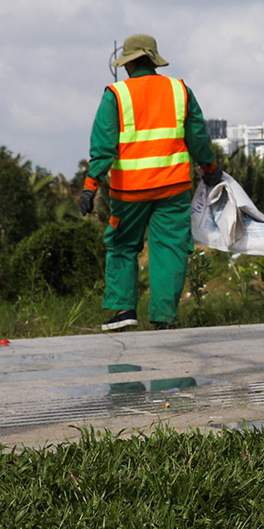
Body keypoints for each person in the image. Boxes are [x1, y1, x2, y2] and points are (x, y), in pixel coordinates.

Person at [79, 33, 220, 330]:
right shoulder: (179, 90)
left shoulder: (116, 95)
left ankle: (123, 311)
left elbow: (103, 147)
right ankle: (164, 318)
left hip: (129, 192)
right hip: (174, 189)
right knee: (169, 249)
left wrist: (90, 186)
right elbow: (197, 137)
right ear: (153, 61)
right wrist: (210, 167)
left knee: (121, 245)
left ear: (128, 64)